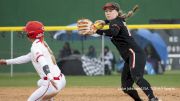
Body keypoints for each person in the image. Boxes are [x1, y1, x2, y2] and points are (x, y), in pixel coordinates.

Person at [78, 2, 159, 101]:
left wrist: (96, 31)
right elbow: (113, 24)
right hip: (130, 57)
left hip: (134, 54)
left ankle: (153, 98)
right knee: (126, 87)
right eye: (106, 11)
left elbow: (113, 32)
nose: (108, 13)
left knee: (137, 78)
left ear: (116, 12)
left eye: (111, 10)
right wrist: (103, 22)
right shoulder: (117, 20)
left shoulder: (116, 22)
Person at [0, 21, 66, 101]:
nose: (25, 33)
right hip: (61, 79)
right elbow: (27, 57)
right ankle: (50, 99)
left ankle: (49, 97)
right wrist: (6, 62)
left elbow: (43, 62)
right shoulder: (42, 43)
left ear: (30, 34)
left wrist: (50, 78)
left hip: (52, 83)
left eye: (27, 32)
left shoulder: (35, 47)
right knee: (39, 82)